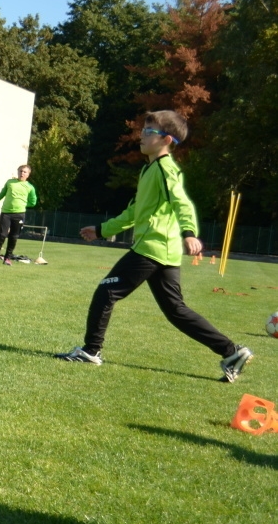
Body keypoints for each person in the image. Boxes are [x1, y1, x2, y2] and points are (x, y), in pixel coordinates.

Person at [56, 111, 254, 382]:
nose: (141, 136)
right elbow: (135, 211)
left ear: (166, 140)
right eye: (142, 130)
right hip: (163, 251)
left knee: (106, 292)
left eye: (149, 132)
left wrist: (189, 232)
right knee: (176, 311)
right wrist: (102, 230)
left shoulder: (164, 168)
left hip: (152, 248)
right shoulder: (149, 168)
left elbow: (181, 201)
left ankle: (91, 351)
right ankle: (232, 352)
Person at [0, 165, 37, 264]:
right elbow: (1, 194)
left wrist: (23, 204)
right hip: (6, 213)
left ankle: (7, 258)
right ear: (18, 172)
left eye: (25, 172)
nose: (22, 173)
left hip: (19, 215)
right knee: (2, 235)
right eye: (20, 171)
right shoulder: (10, 183)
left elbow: (33, 202)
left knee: (13, 236)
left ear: (28, 174)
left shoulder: (30, 187)